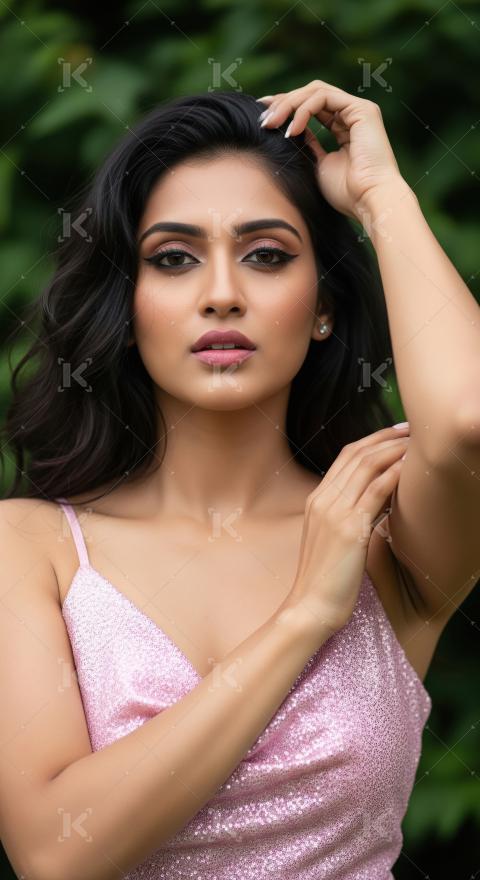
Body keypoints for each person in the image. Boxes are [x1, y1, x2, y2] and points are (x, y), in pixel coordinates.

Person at [0, 82, 478, 880]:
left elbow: (466, 419)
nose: (222, 294)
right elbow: (56, 852)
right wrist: (302, 619)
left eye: (266, 255)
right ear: (131, 304)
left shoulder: (385, 533)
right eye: (174, 259)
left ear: (321, 304)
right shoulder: (32, 545)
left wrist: (381, 196)